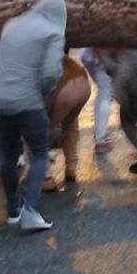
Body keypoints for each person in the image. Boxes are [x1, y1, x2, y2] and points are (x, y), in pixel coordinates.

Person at [0, 0, 66, 233]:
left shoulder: (11, 25)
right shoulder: (53, 32)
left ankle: (12, 211)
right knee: (40, 153)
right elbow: (51, 72)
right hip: (28, 101)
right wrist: (44, 93)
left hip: (1, 98)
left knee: (9, 155)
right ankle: (31, 211)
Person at [42, 55, 91, 192]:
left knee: (40, 130)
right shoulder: (54, 49)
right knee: (71, 125)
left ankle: (45, 177)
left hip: (64, 88)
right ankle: (71, 168)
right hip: (83, 82)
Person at [80, 47, 115, 152]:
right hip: (100, 56)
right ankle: (101, 139)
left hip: (92, 56)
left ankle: (100, 137)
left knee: (105, 92)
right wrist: (102, 57)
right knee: (106, 93)